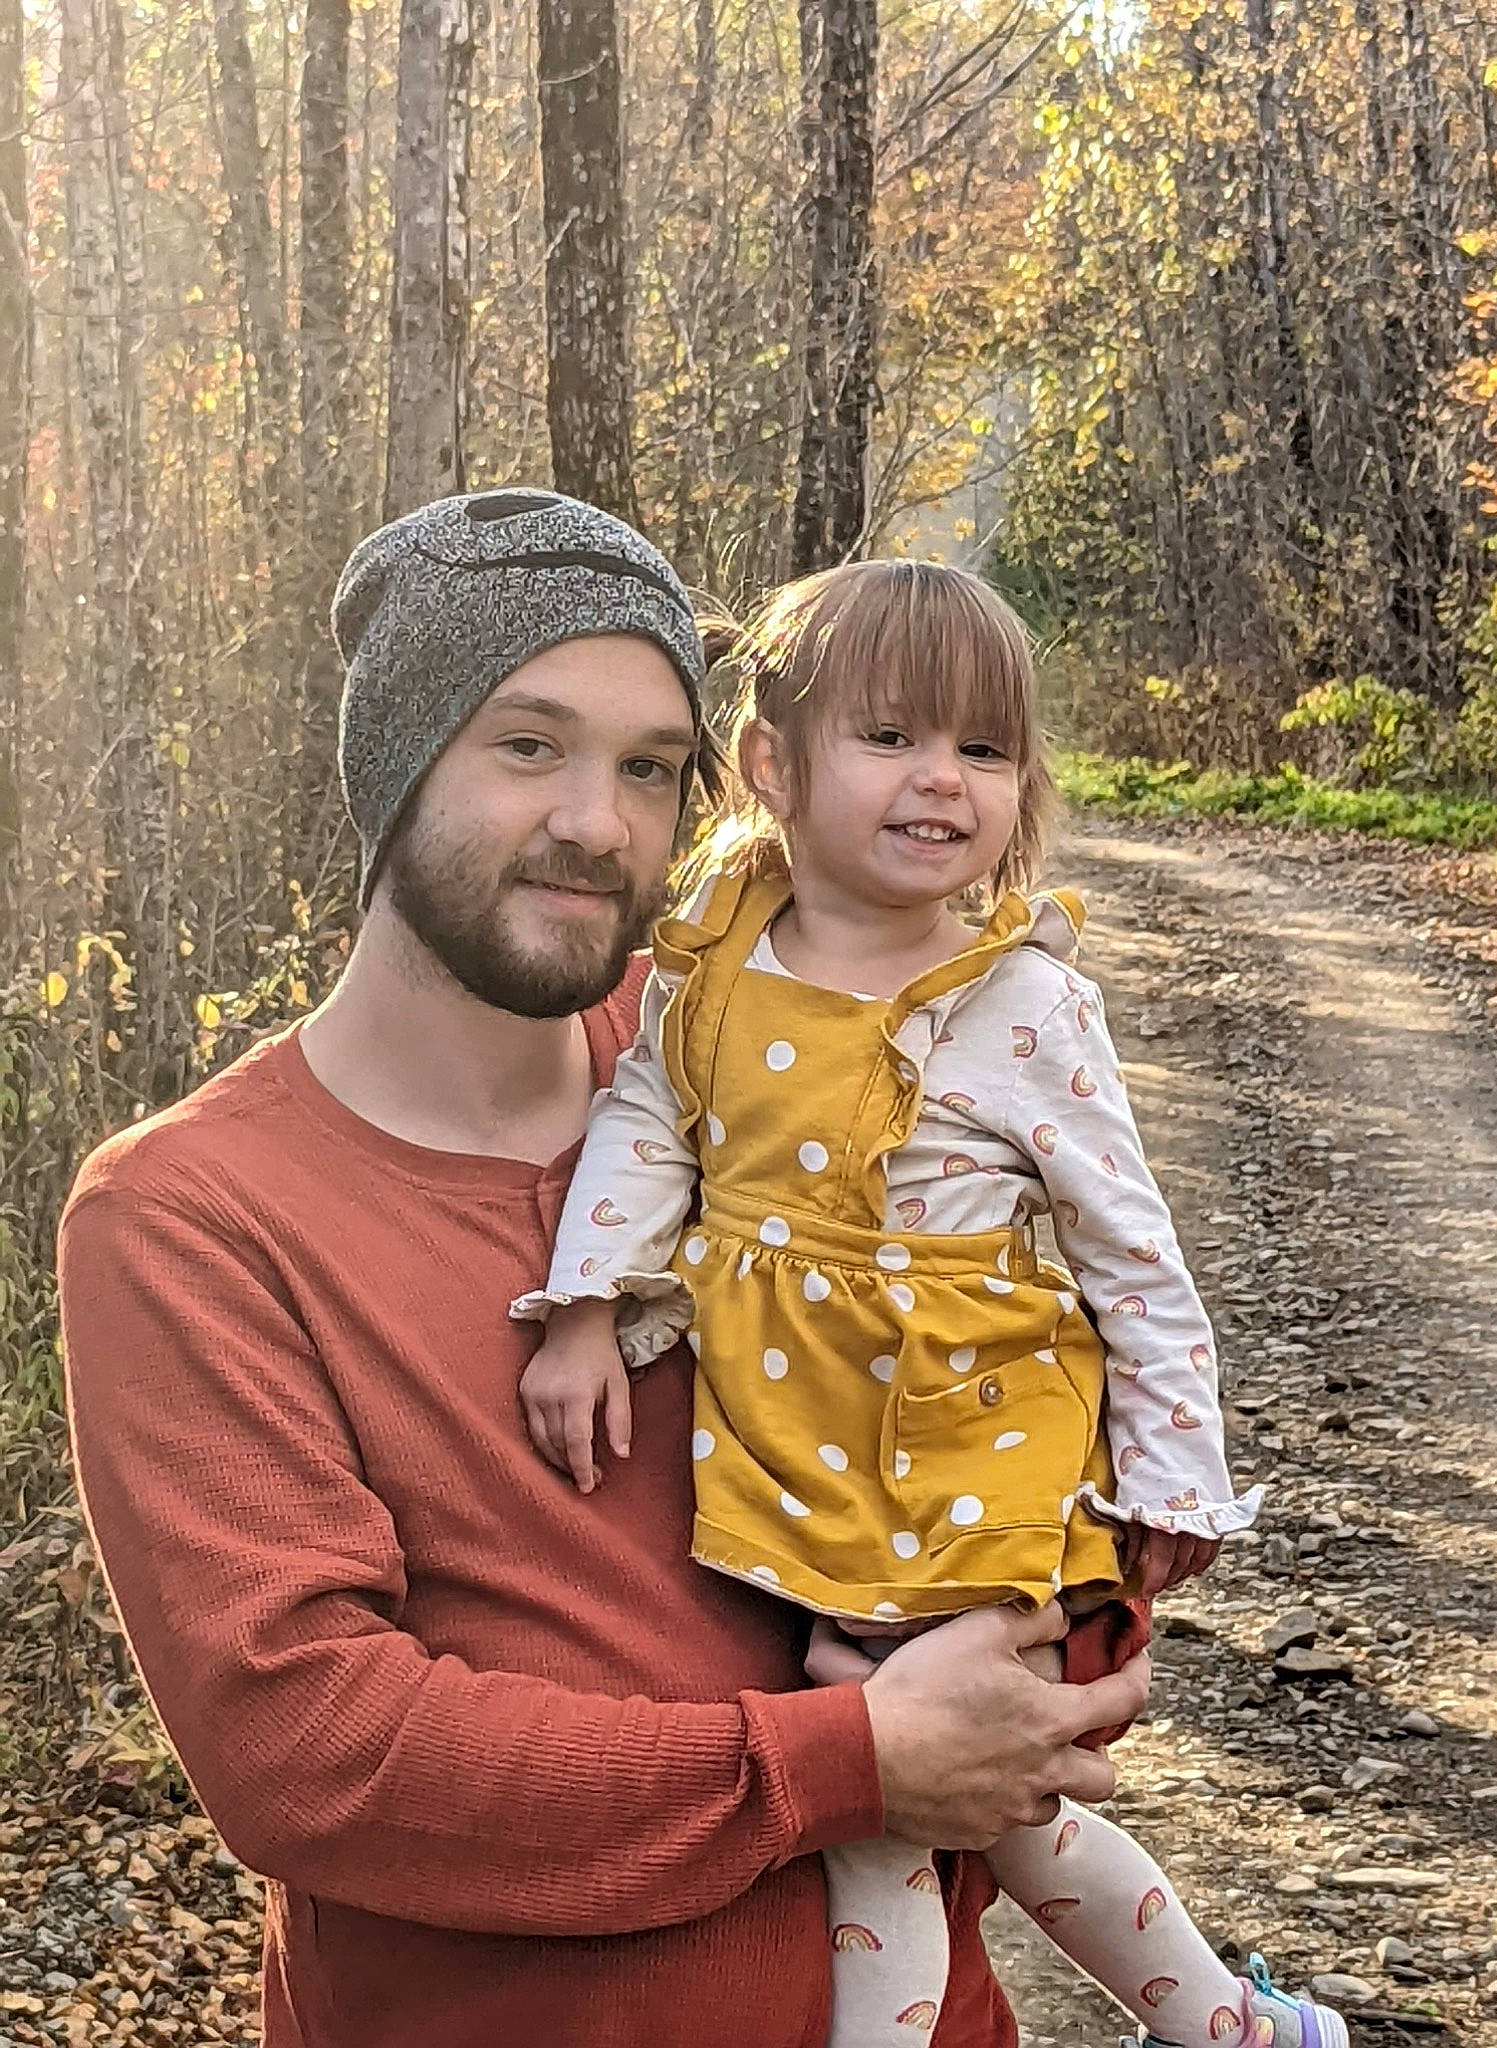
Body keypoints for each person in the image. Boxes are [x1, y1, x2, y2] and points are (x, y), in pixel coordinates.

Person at [57, 491, 1153, 2048]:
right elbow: (311, 1749)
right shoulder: (194, 1215)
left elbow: (1006, 1380)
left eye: (651, 768)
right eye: (528, 746)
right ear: (394, 766)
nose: (599, 821)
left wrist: (1062, 1626)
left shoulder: (748, 1059)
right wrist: (851, 1760)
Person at [516, 560, 1348, 2048]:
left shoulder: (1018, 1003)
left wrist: (1173, 1489)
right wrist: (588, 1306)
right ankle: (1236, 2029)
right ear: (772, 765)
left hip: (969, 1460)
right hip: (799, 1459)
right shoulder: (713, 965)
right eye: (891, 736)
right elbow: (649, 1131)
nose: (941, 781)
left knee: (889, 1808)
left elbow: (1132, 1260)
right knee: (999, 1810)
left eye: (982, 749)